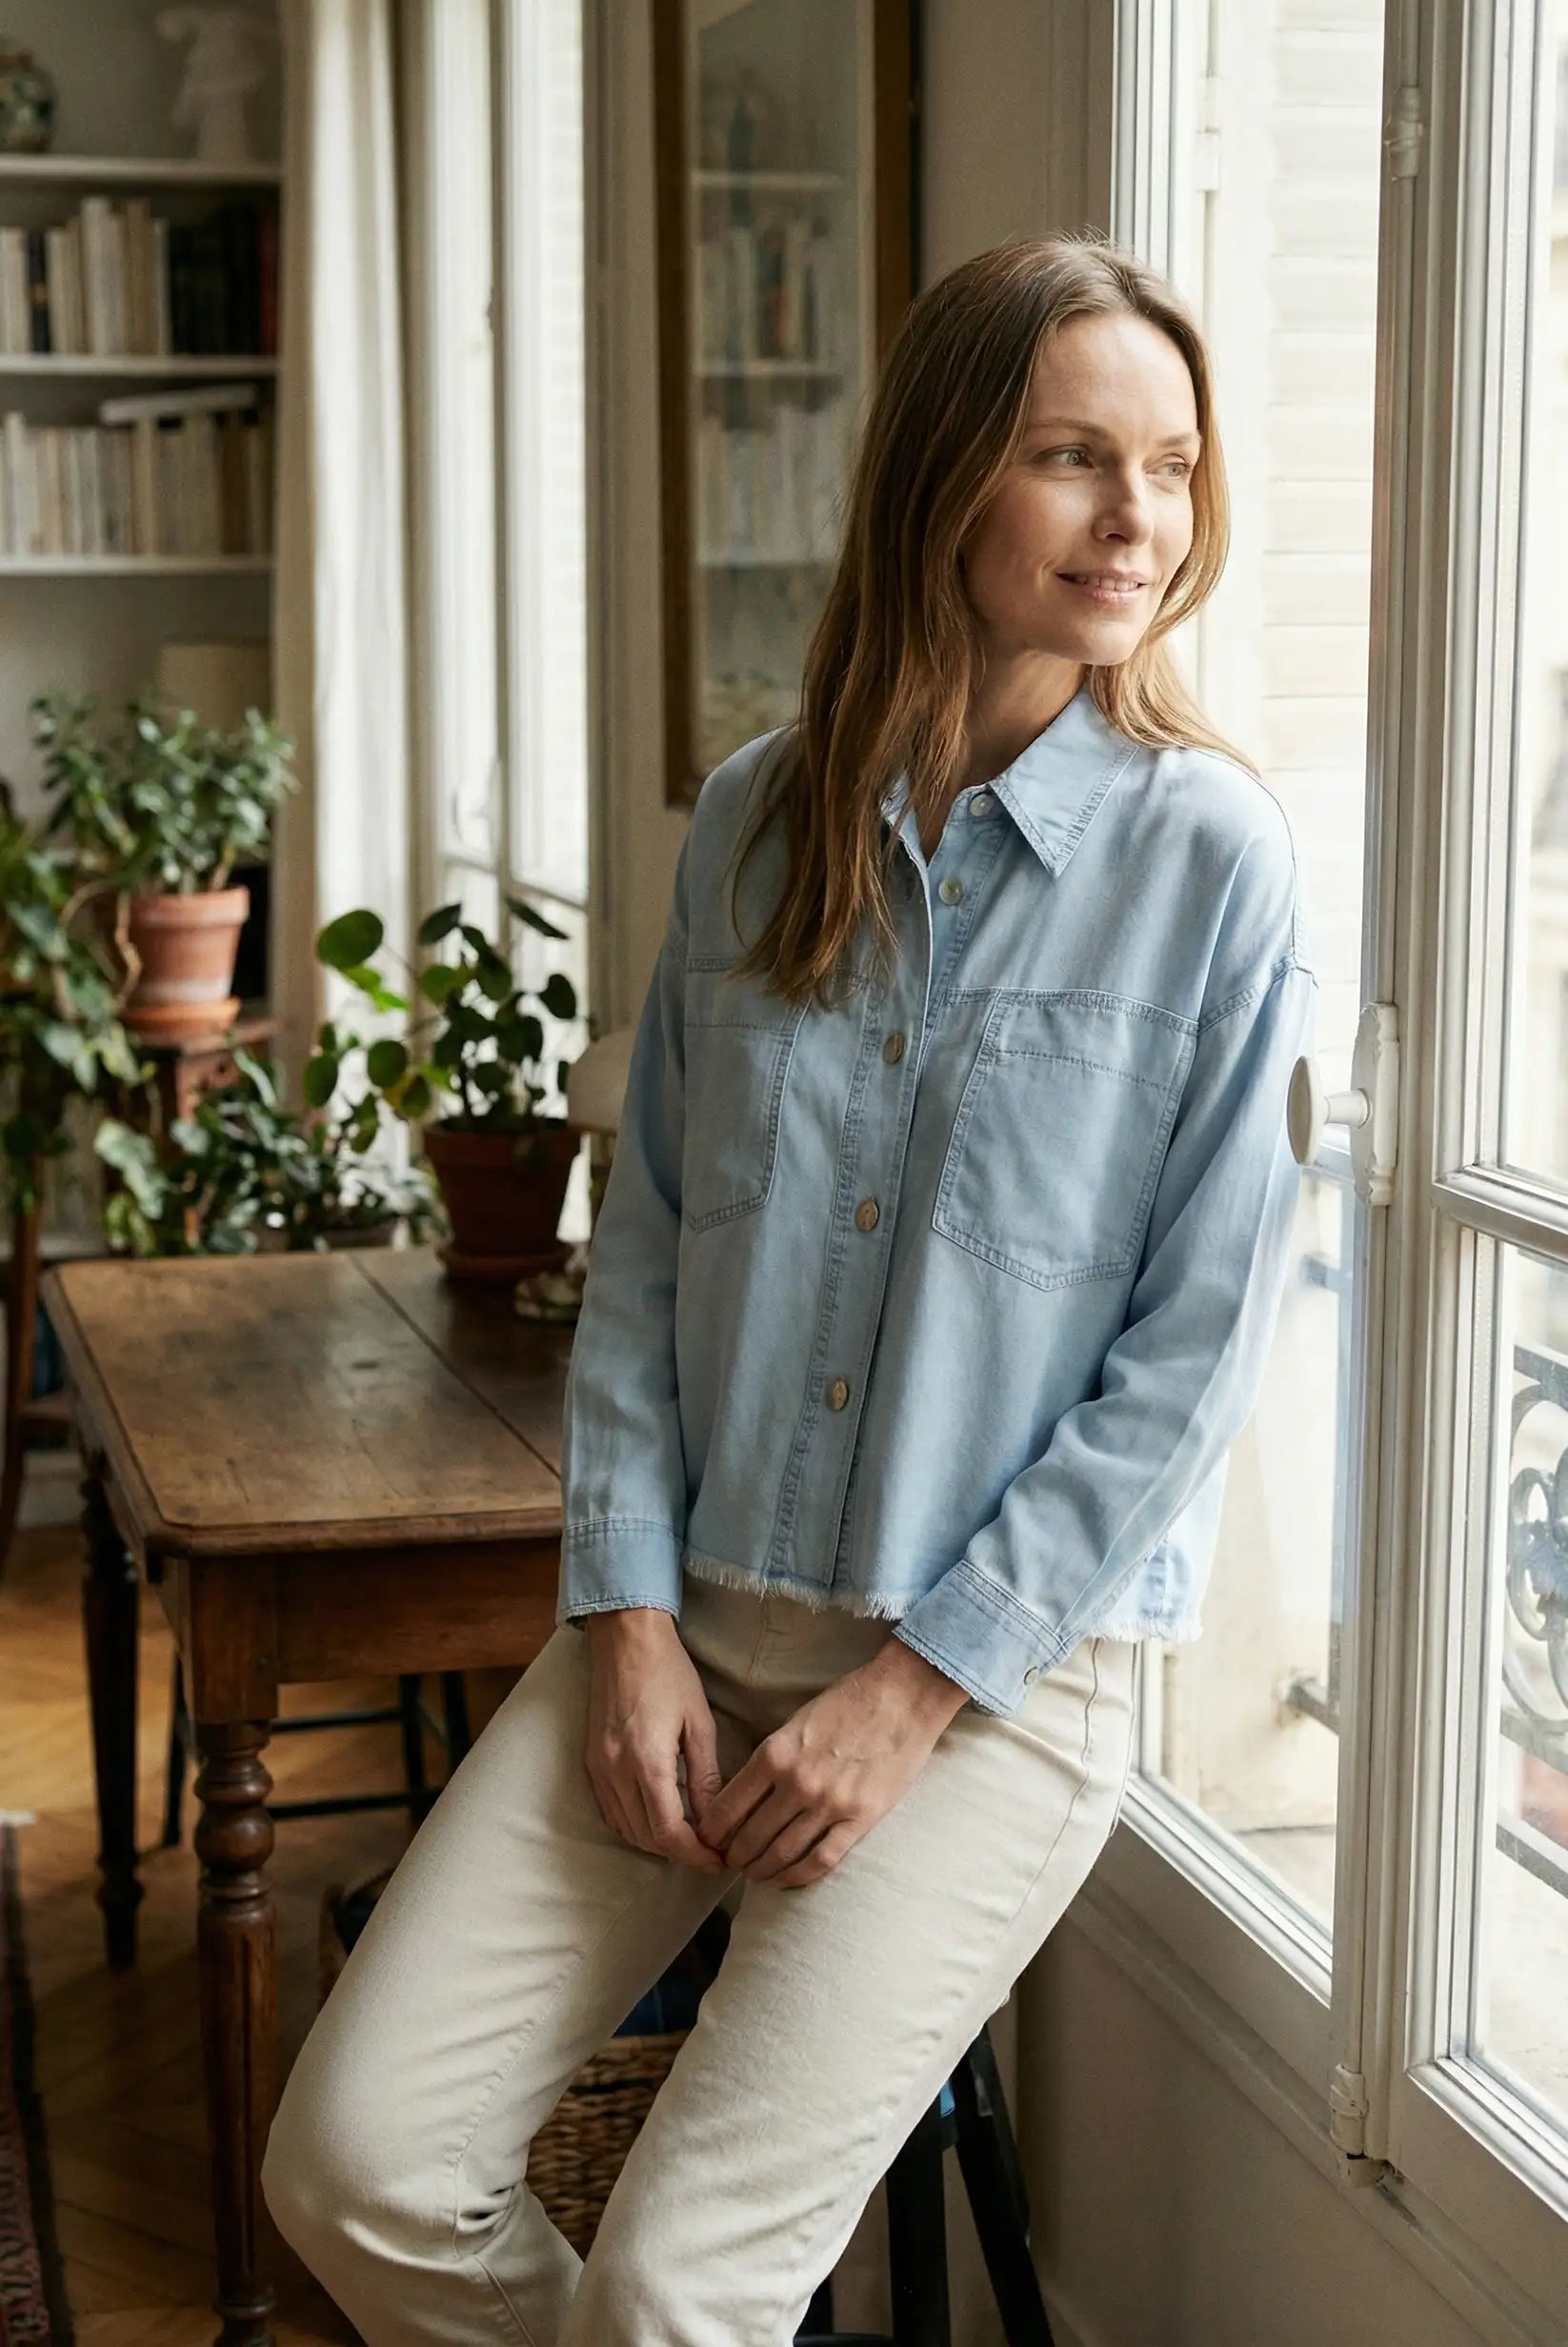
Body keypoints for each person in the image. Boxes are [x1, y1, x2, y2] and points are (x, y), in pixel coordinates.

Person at [263, 230, 1317, 2345]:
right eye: (1071, 458)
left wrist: (909, 1688)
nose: (1138, 521)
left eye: (1174, 469)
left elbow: (1190, 1358)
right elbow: (640, 1254)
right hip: (684, 1625)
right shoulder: (757, 823)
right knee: (351, 2163)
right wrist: (627, 1619)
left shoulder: (1213, 860)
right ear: (942, 475)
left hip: (988, 1697)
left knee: (673, 2288)